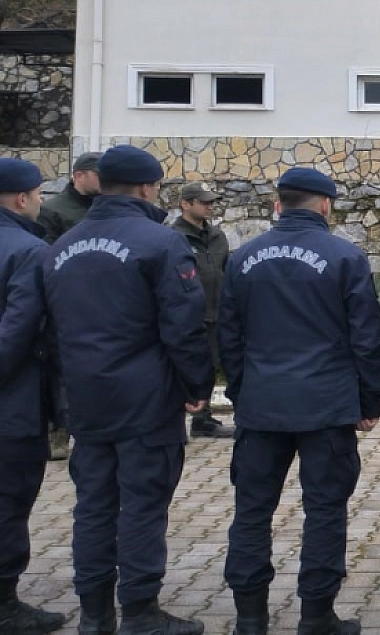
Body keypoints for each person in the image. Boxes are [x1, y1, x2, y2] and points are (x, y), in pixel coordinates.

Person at [43, 145, 214, 635]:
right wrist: (196, 384)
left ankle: (95, 614)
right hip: (145, 398)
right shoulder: (160, 244)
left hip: (86, 396)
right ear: (146, 188)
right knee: (142, 504)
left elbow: (50, 330)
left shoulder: (61, 246)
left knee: (93, 506)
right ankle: (140, 610)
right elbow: (183, 325)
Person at [220, 168, 380, 635]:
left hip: (262, 403)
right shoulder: (345, 257)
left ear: (279, 204)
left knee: (251, 512)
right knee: (325, 511)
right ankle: (316, 616)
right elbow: (367, 337)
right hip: (326, 405)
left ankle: (249, 619)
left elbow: (228, 337)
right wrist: (369, 398)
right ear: (325, 205)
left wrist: (240, 391)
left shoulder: (244, 258)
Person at [0, 159, 68, 635]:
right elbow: (18, 332)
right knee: (8, 501)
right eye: (39, 193)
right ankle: (5, 603)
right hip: (12, 404)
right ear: (22, 198)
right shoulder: (28, 249)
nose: (41, 201)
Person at [38, 150, 100, 462]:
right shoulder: (54, 211)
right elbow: (47, 258)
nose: (102, 179)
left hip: (101, 302)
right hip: (67, 302)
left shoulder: (103, 209)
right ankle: (59, 430)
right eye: (96, 173)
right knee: (60, 371)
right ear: (79, 175)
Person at [172, 183, 233, 439]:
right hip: (187, 313)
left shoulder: (218, 236)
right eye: (203, 202)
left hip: (216, 312)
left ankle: (203, 418)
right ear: (186, 204)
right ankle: (174, 421)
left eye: (211, 202)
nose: (209, 206)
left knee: (212, 365)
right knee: (181, 368)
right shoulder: (174, 237)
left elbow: (225, 269)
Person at [38, 152, 100, 243]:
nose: (105, 179)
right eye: (99, 174)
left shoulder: (110, 207)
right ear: (79, 176)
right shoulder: (50, 211)